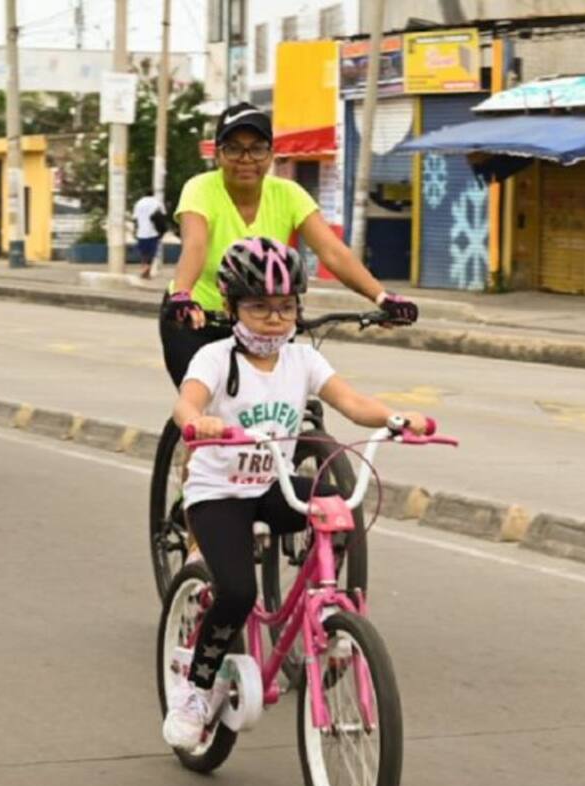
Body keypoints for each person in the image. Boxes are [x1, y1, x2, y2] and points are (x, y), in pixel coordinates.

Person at [161, 237, 427, 751]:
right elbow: (184, 405)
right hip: (218, 496)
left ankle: (325, 603)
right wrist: (200, 423)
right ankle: (197, 691)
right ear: (232, 306)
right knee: (237, 593)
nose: (274, 319)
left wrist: (395, 419)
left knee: (334, 506)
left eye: (285, 308)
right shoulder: (216, 359)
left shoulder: (302, 361)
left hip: (269, 486)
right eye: (259, 307)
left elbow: (351, 402)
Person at [160, 103, 418, 387]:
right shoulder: (200, 188)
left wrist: (382, 298)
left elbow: (332, 251)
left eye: (257, 148)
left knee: (277, 408)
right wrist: (182, 296)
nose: (246, 159)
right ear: (218, 155)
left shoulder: (289, 193)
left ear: (271, 154)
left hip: (266, 319)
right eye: (233, 149)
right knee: (204, 412)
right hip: (196, 321)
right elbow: (195, 245)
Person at [132, 193, 167, 279]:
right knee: (151, 253)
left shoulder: (138, 203)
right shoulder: (157, 202)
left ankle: (145, 271)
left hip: (141, 233)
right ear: (152, 194)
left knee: (143, 253)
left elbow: (135, 219)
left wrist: (135, 230)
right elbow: (163, 216)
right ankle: (146, 270)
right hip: (153, 232)